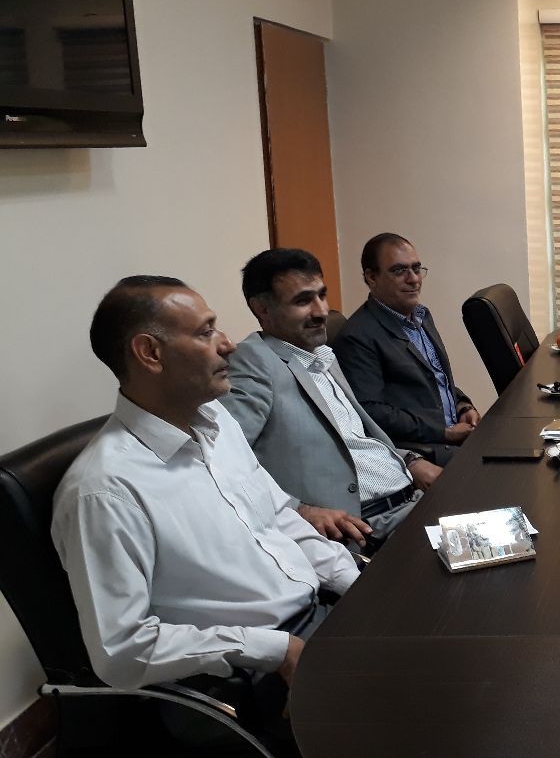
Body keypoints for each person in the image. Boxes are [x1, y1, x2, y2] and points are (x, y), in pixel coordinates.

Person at [52, 276, 359, 701]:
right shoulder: (105, 490)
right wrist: (278, 651)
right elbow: (122, 650)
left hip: (318, 614)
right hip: (250, 671)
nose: (228, 344)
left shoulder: (216, 421)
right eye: (205, 332)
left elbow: (278, 517)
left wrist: (353, 582)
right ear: (150, 353)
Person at [222, 249, 445, 550]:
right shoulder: (253, 361)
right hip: (367, 528)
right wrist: (299, 510)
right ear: (262, 308)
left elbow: (355, 439)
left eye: (322, 295)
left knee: (500, 520)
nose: (321, 311)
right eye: (303, 301)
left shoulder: (320, 355)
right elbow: (224, 461)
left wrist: (409, 460)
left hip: (412, 499)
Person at [332, 234, 480, 466]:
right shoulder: (358, 336)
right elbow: (371, 412)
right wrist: (444, 432)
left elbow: (435, 376)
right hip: (425, 452)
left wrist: (463, 405)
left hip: (455, 438)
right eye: (399, 271)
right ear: (371, 277)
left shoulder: (421, 316)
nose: (414, 279)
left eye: (416, 268)